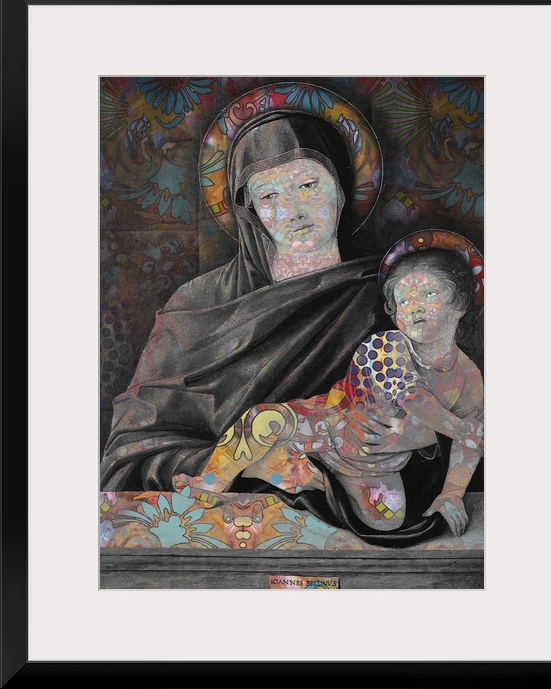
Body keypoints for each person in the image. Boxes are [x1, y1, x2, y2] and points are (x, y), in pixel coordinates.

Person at [100, 109, 389, 492]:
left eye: (307, 185)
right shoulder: (197, 304)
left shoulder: (385, 295)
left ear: (340, 186)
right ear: (248, 207)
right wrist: (243, 463)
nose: (292, 211)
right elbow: (131, 449)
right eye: (269, 195)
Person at [173, 247, 484, 543]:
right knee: (262, 421)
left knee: (387, 518)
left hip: (372, 465)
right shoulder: (384, 346)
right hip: (322, 429)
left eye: (429, 294)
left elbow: (469, 443)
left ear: (459, 304)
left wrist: (452, 493)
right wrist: (460, 430)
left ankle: (310, 478)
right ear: (394, 313)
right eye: (403, 300)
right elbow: (411, 396)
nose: (414, 306)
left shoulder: (469, 377)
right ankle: (210, 483)